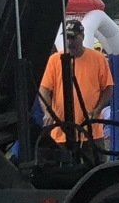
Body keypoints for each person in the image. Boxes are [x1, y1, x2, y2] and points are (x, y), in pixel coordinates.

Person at [38, 19, 114, 150]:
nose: (69, 42)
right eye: (67, 37)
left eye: (73, 37)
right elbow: (44, 89)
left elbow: (108, 87)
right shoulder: (55, 60)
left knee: (95, 166)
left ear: (82, 37)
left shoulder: (98, 59)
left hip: (91, 131)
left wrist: (98, 109)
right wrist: (48, 112)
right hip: (61, 132)